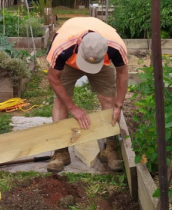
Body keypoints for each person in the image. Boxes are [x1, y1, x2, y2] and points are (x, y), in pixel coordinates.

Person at [46, 17, 128, 173]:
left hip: (102, 64)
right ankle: (60, 151)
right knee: (60, 102)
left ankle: (109, 147)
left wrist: (118, 106)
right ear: (79, 46)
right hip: (69, 63)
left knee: (108, 99)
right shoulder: (62, 45)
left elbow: (122, 73)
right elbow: (53, 77)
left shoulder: (115, 46)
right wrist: (73, 107)